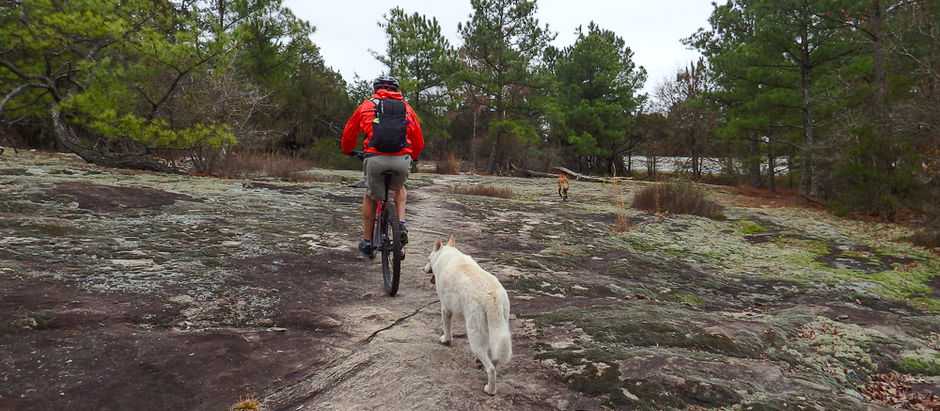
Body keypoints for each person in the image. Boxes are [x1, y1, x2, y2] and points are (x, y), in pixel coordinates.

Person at [341, 75, 424, 258]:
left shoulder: (367, 106)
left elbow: (349, 132)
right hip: (401, 160)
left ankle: (367, 241)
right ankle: (401, 225)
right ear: (396, 90)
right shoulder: (407, 107)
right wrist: (414, 156)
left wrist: (348, 150)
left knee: (371, 196)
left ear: (375, 89)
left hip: (375, 158)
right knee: (400, 188)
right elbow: (418, 139)